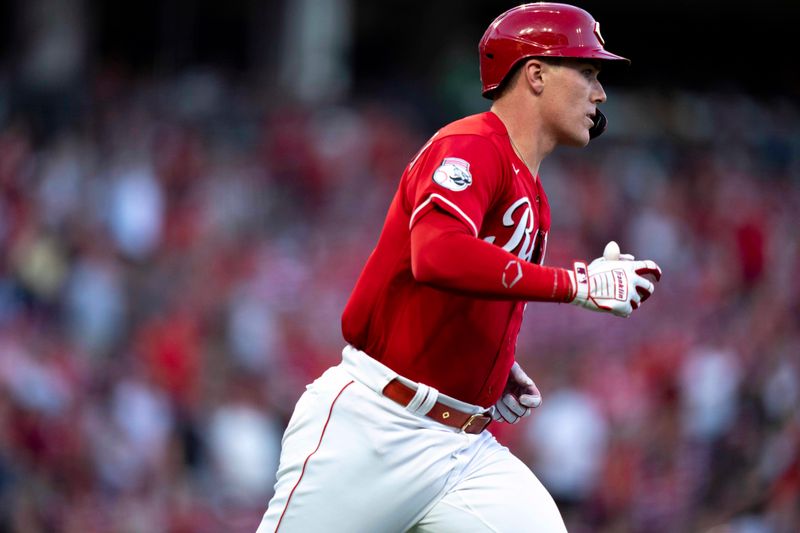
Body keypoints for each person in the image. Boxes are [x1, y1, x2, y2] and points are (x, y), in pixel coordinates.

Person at [256, 3, 662, 532]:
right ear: (536, 74)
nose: (600, 92)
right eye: (586, 71)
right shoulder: (471, 145)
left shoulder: (533, 193)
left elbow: (471, 279)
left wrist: (487, 363)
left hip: (464, 447)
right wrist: (577, 284)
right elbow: (438, 254)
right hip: (377, 427)